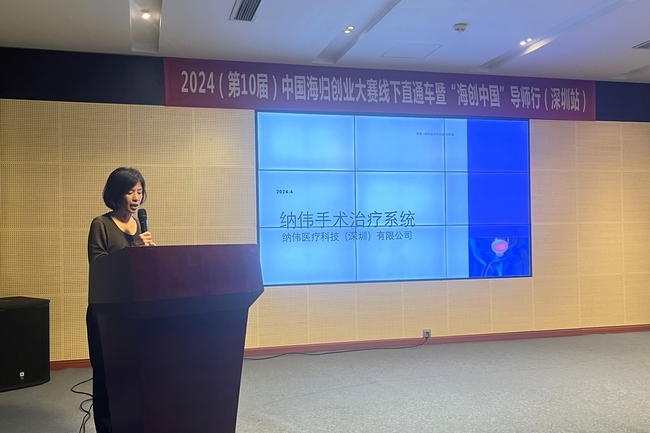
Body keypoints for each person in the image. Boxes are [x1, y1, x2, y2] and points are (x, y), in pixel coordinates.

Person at [86, 167, 155, 433]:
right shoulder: (101, 224)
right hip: (105, 313)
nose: (136, 197)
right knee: (106, 375)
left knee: (133, 375)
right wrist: (132, 250)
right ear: (116, 194)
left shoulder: (140, 225)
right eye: (130, 192)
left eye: (139, 191)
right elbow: (98, 266)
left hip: (133, 311)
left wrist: (151, 258)